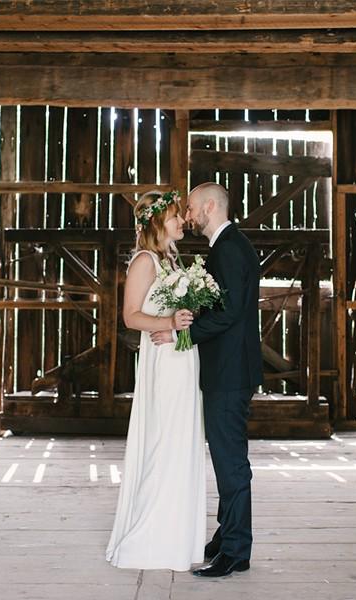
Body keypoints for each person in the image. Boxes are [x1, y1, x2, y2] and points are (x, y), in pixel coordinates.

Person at [152, 182, 262, 578]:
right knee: (225, 458)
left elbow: (230, 313)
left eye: (193, 208)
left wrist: (180, 334)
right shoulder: (226, 246)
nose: (189, 216)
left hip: (230, 372)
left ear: (210, 206)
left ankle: (235, 551)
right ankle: (225, 536)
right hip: (227, 369)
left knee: (231, 462)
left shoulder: (229, 248)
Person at [105, 190, 206, 572]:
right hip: (163, 362)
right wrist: (168, 323)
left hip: (182, 359)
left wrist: (188, 317)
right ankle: (149, 537)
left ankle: (175, 536)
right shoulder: (144, 261)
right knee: (163, 440)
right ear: (156, 222)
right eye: (176, 217)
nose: (183, 222)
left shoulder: (172, 257)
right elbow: (131, 316)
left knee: (180, 441)